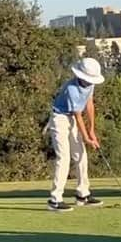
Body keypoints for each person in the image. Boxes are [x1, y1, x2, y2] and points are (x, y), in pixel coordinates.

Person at [47, 56, 105, 212]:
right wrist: (86, 137)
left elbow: (89, 105)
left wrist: (92, 130)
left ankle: (82, 194)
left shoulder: (90, 84)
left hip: (72, 117)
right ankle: (55, 199)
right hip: (59, 118)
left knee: (81, 155)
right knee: (64, 157)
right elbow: (78, 115)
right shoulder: (71, 88)